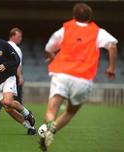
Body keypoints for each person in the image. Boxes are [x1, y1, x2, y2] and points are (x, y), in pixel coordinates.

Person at [39, 3, 118, 151]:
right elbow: (112, 46)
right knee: (70, 111)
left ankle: (48, 128)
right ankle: (51, 132)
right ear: (90, 17)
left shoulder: (65, 29)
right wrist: (111, 67)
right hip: (82, 78)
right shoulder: (98, 32)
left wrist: (52, 57)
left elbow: (49, 48)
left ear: (74, 16)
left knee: (51, 109)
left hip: (61, 74)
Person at [0, 27, 24, 120]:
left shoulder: (2, 46)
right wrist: (20, 76)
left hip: (1, 74)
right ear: (12, 36)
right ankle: (26, 115)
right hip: (12, 75)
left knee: (1, 94)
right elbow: (18, 64)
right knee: (17, 98)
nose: (20, 38)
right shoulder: (16, 49)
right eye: (19, 36)